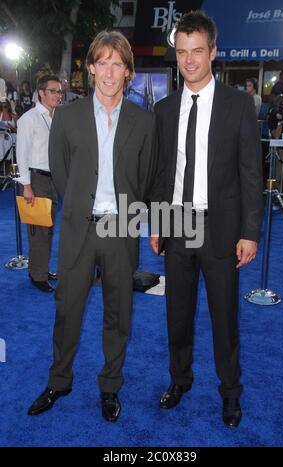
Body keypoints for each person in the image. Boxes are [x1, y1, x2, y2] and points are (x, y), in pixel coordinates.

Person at [27, 30, 158, 422]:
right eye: (103, 62)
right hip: (79, 229)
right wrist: (82, 209)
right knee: (67, 307)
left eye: (117, 63)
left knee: (119, 312)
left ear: (128, 72)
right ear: (92, 68)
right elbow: (62, 175)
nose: (109, 71)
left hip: (121, 229)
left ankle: (110, 385)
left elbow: (147, 178)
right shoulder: (66, 117)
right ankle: (59, 380)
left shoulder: (145, 122)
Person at [150, 10, 263, 428]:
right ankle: (179, 380)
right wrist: (159, 222)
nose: (190, 61)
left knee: (224, 319)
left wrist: (249, 232)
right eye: (182, 52)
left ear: (213, 52)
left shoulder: (238, 105)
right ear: (176, 55)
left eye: (198, 51)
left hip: (222, 229)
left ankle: (230, 393)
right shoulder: (165, 109)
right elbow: (163, 174)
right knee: (176, 315)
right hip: (178, 226)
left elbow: (251, 172)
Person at [16, 75, 62, 292]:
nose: (57, 95)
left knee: (49, 228)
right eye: (53, 91)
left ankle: (41, 268)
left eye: (59, 91)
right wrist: (26, 185)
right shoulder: (29, 119)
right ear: (41, 93)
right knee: (38, 231)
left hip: (53, 180)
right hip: (37, 180)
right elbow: (21, 154)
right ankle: (37, 275)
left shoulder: (57, 118)